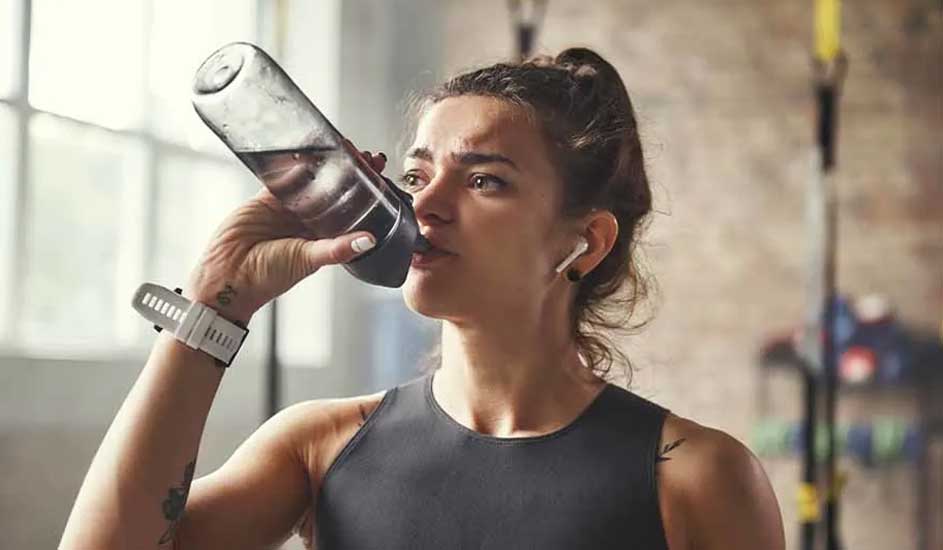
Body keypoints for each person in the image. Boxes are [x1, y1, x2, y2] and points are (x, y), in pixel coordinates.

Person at [60, 48, 784, 550]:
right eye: (415, 176)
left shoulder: (694, 474)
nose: (426, 205)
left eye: (483, 180)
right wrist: (215, 308)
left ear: (585, 242)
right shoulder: (319, 445)